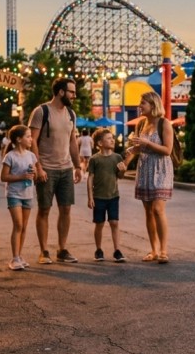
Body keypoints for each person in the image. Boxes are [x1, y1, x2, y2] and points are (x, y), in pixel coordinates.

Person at [29, 77, 83, 264]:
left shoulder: (71, 114)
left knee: (66, 209)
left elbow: (72, 141)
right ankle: (44, 251)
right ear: (61, 92)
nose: (75, 95)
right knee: (44, 209)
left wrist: (77, 166)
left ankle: (62, 249)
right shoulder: (41, 111)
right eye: (72, 92)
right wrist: (38, 167)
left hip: (66, 168)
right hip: (46, 169)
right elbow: (32, 141)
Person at [123, 91, 173, 264]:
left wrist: (147, 143)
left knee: (158, 209)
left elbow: (168, 150)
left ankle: (164, 251)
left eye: (142, 103)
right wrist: (128, 156)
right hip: (144, 168)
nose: (139, 105)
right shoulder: (141, 124)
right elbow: (138, 148)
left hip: (161, 169)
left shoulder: (164, 123)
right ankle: (153, 250)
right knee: (148, 212)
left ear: (153, 105)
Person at [86, 128, 127, 263]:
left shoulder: (117, 157)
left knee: (114, 222)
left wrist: (123, 171)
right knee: (99, 224)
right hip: (98, 197)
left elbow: (120, 176)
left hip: (113, 196)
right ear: (100, 143)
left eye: (112, 138)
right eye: (109, 138)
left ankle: (117, 250)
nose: (112, 140)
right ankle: (98, 250)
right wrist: (90, 197)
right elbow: (90, 178)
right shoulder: (94, 159)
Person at [1, 125, 38, 271]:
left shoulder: (31, 156)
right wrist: (21, 176)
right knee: (18, 225)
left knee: (24, 227)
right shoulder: (10, 156)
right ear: (18, 139)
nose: (31, 139)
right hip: (14, 194)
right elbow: (4, 177)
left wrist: (33, 173)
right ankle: (15, 258)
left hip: (28, 194)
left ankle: (19, 256)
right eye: (28, 136)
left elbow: (32, 174)